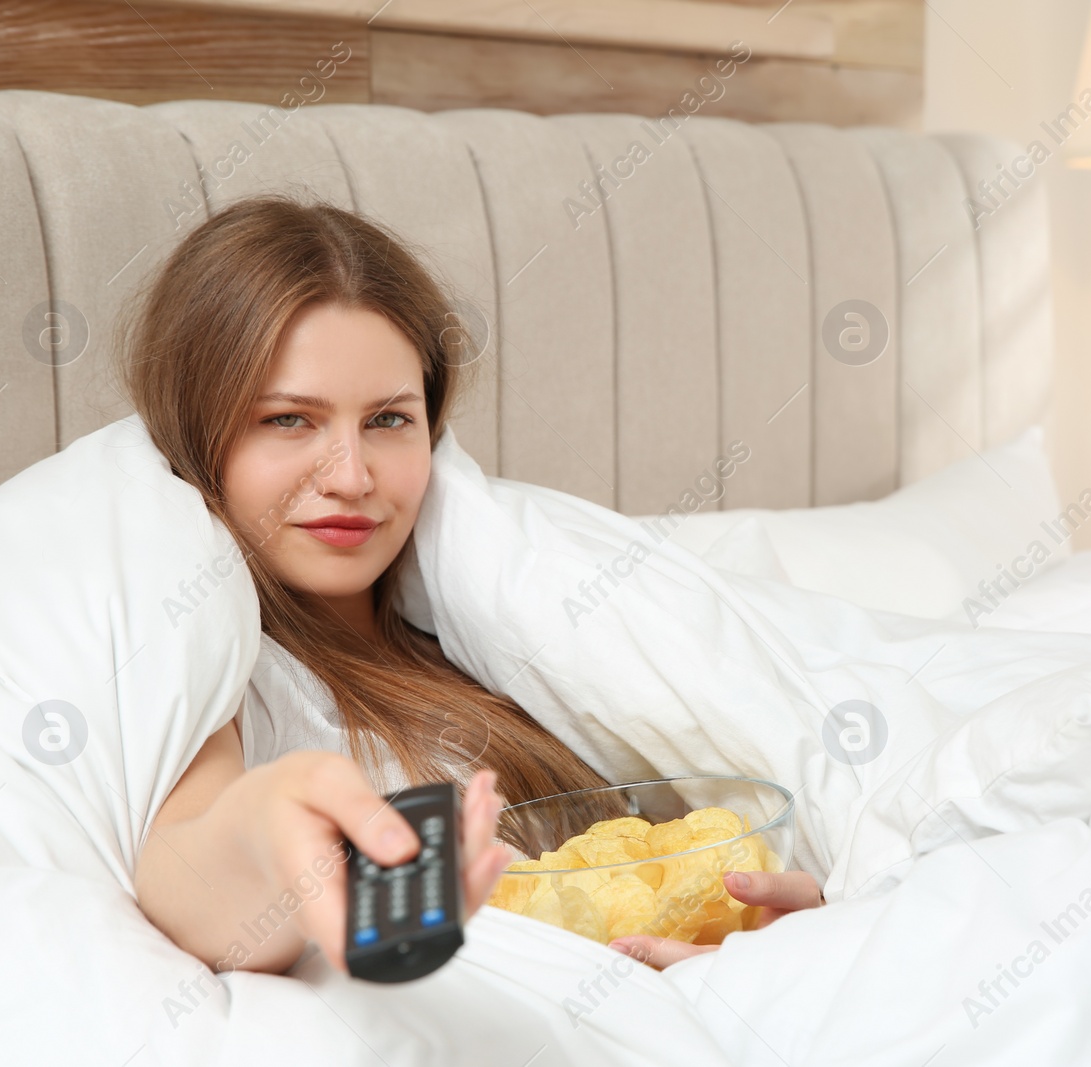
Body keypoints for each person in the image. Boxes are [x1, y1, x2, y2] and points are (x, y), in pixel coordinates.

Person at [126, 196, 822, 978]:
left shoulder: (497, 636)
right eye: (289, 419)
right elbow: (186, 870)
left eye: (389, 420)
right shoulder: (225, 672)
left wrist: (757, 924)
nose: (351, 477)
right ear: (197, 432)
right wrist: (280, 820)